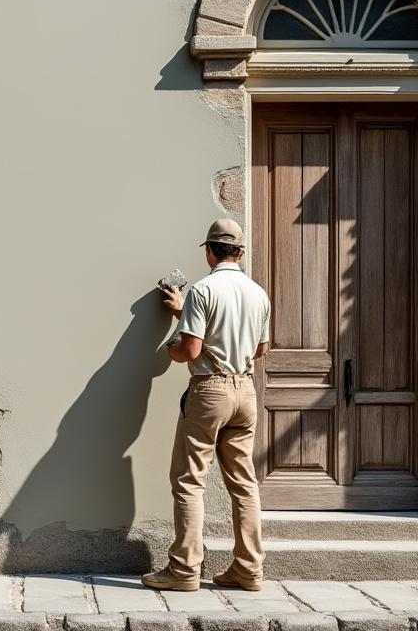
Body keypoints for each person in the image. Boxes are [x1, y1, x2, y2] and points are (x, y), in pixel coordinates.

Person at [144, 218, 270, 593]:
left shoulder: (202, 291)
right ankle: (248, 569)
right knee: (244, 483)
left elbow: (191, 351)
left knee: (188, 481)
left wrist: (171, 346)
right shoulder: (258, 293)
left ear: (209, 251)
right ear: (241, 252)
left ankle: (184, 570)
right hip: (245, 390)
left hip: (209, 390)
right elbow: (261, 349)